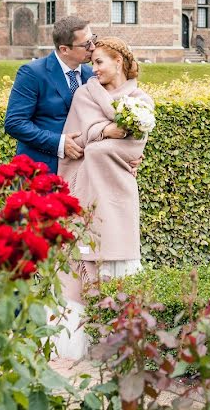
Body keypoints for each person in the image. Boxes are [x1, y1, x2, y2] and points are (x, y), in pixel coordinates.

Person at [53, 37, 154, 359]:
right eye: (91, 62)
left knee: (116, 259)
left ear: (119, 62)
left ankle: (119, 344)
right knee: (79, 260)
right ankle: (75, 344)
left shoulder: (139, 100)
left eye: (99, 62)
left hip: (117, 195)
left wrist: (101, 143)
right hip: (82, 192)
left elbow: (134, 147)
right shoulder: (85, 94)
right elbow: (75, 141)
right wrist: (103, 133)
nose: (92, 69)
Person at [4, 16, 96, 174]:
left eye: (93, 39)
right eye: (86, 44)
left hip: (82, 171)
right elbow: (15, 123)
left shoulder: (93, 74)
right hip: (40, 170)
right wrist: (59, 143)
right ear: (64, 49)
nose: (93, 47)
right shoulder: (32, 73)